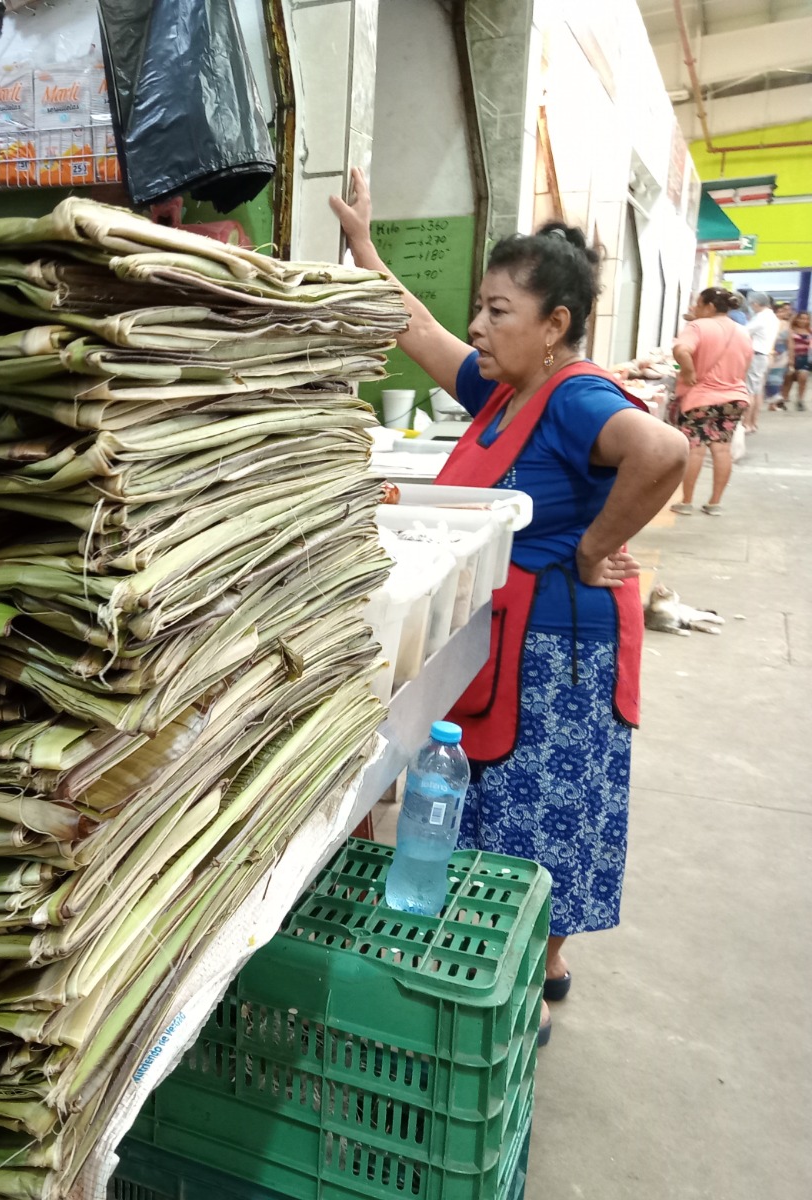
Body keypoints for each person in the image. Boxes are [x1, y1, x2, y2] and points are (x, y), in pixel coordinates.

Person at [330, 167, 688, 1046]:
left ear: (555, 325)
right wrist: (366, 248)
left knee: (541, 812)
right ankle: (542, 962)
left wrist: (596, 547)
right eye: (481, 310)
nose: (479, 327)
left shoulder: (574, 398)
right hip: (510, 635)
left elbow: (664, 449)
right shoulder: (504, 393)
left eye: (498, 312)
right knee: (495, 804)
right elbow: (417, 333)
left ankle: (523, 990)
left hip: (562, 648)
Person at [671, 288, 753, 514]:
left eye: (698, 304)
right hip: (735, 398)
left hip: (701, 399)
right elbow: (745, 368)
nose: (696, 308)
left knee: (695, 450)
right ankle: (714, 503)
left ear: (709, 306)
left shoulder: (698, 326)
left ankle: (686, 502)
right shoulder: (742, 332)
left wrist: (687, 371)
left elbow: (681, 349)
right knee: (722, 449)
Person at [744, 293, 779, 431]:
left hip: (756, 355)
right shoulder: (772, 317)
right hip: (764, 355)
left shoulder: (761, 318)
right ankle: (753, 423)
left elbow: (743, 332)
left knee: (749, 391)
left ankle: (745, 424)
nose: (751, 306)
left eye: (752, 304)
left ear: (756, 303)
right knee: (757, 391)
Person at [765, 302, 792, 411]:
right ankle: (774, 401)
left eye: (783, 311)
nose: (781, 313)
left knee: (778, 378)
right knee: (769, 378)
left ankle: (774, 402)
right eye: (779, 311)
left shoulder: (786, 324)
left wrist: (791, 357)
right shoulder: (768, 324)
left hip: (783, 353)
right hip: (770, 352)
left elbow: (789, 342)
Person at [789, 311, 812, 410]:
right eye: (802, 318)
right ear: (797, 319)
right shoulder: (791, 330)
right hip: (792, 356)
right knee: (788, 379)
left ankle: (800, 399)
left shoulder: (810, 331)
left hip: (805, 357)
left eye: (806, 319)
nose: (804, 321)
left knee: (803, 377)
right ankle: (783, 400)